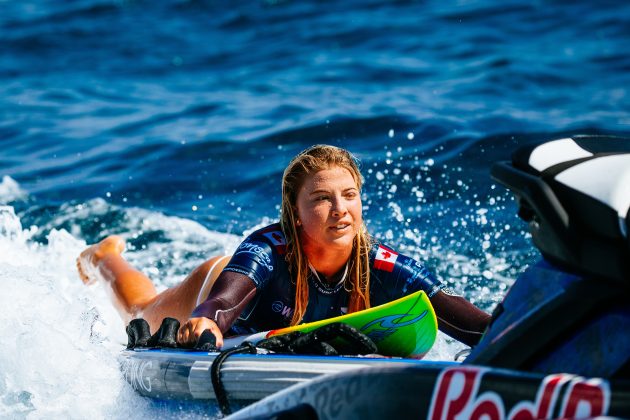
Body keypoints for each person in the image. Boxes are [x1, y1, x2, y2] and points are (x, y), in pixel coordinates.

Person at [77, 145, 490, 349]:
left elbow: (472, 323)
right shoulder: (267, 250)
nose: (340, 210)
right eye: (321, 199)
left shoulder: (382, 265)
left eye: (349, 195)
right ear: (295, 214)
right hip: (220, 282)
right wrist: (205, 321)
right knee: (142, 309)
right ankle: (104, 256)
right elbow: (222, 302)